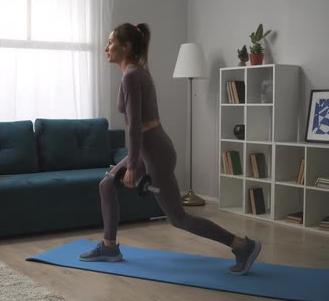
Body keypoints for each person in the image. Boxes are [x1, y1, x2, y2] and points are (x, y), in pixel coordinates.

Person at [78, 23, 262, 275]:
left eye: (110, 42)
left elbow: (134, 128)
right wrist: (132, 161)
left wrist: (131, 165)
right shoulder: (136, 71)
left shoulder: (132, 75)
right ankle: (110, 247)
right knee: (107, 184)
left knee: (179, 219)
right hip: (148, 149)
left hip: (154, 153)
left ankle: (242, 246)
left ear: (127, 46)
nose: (106, 47)